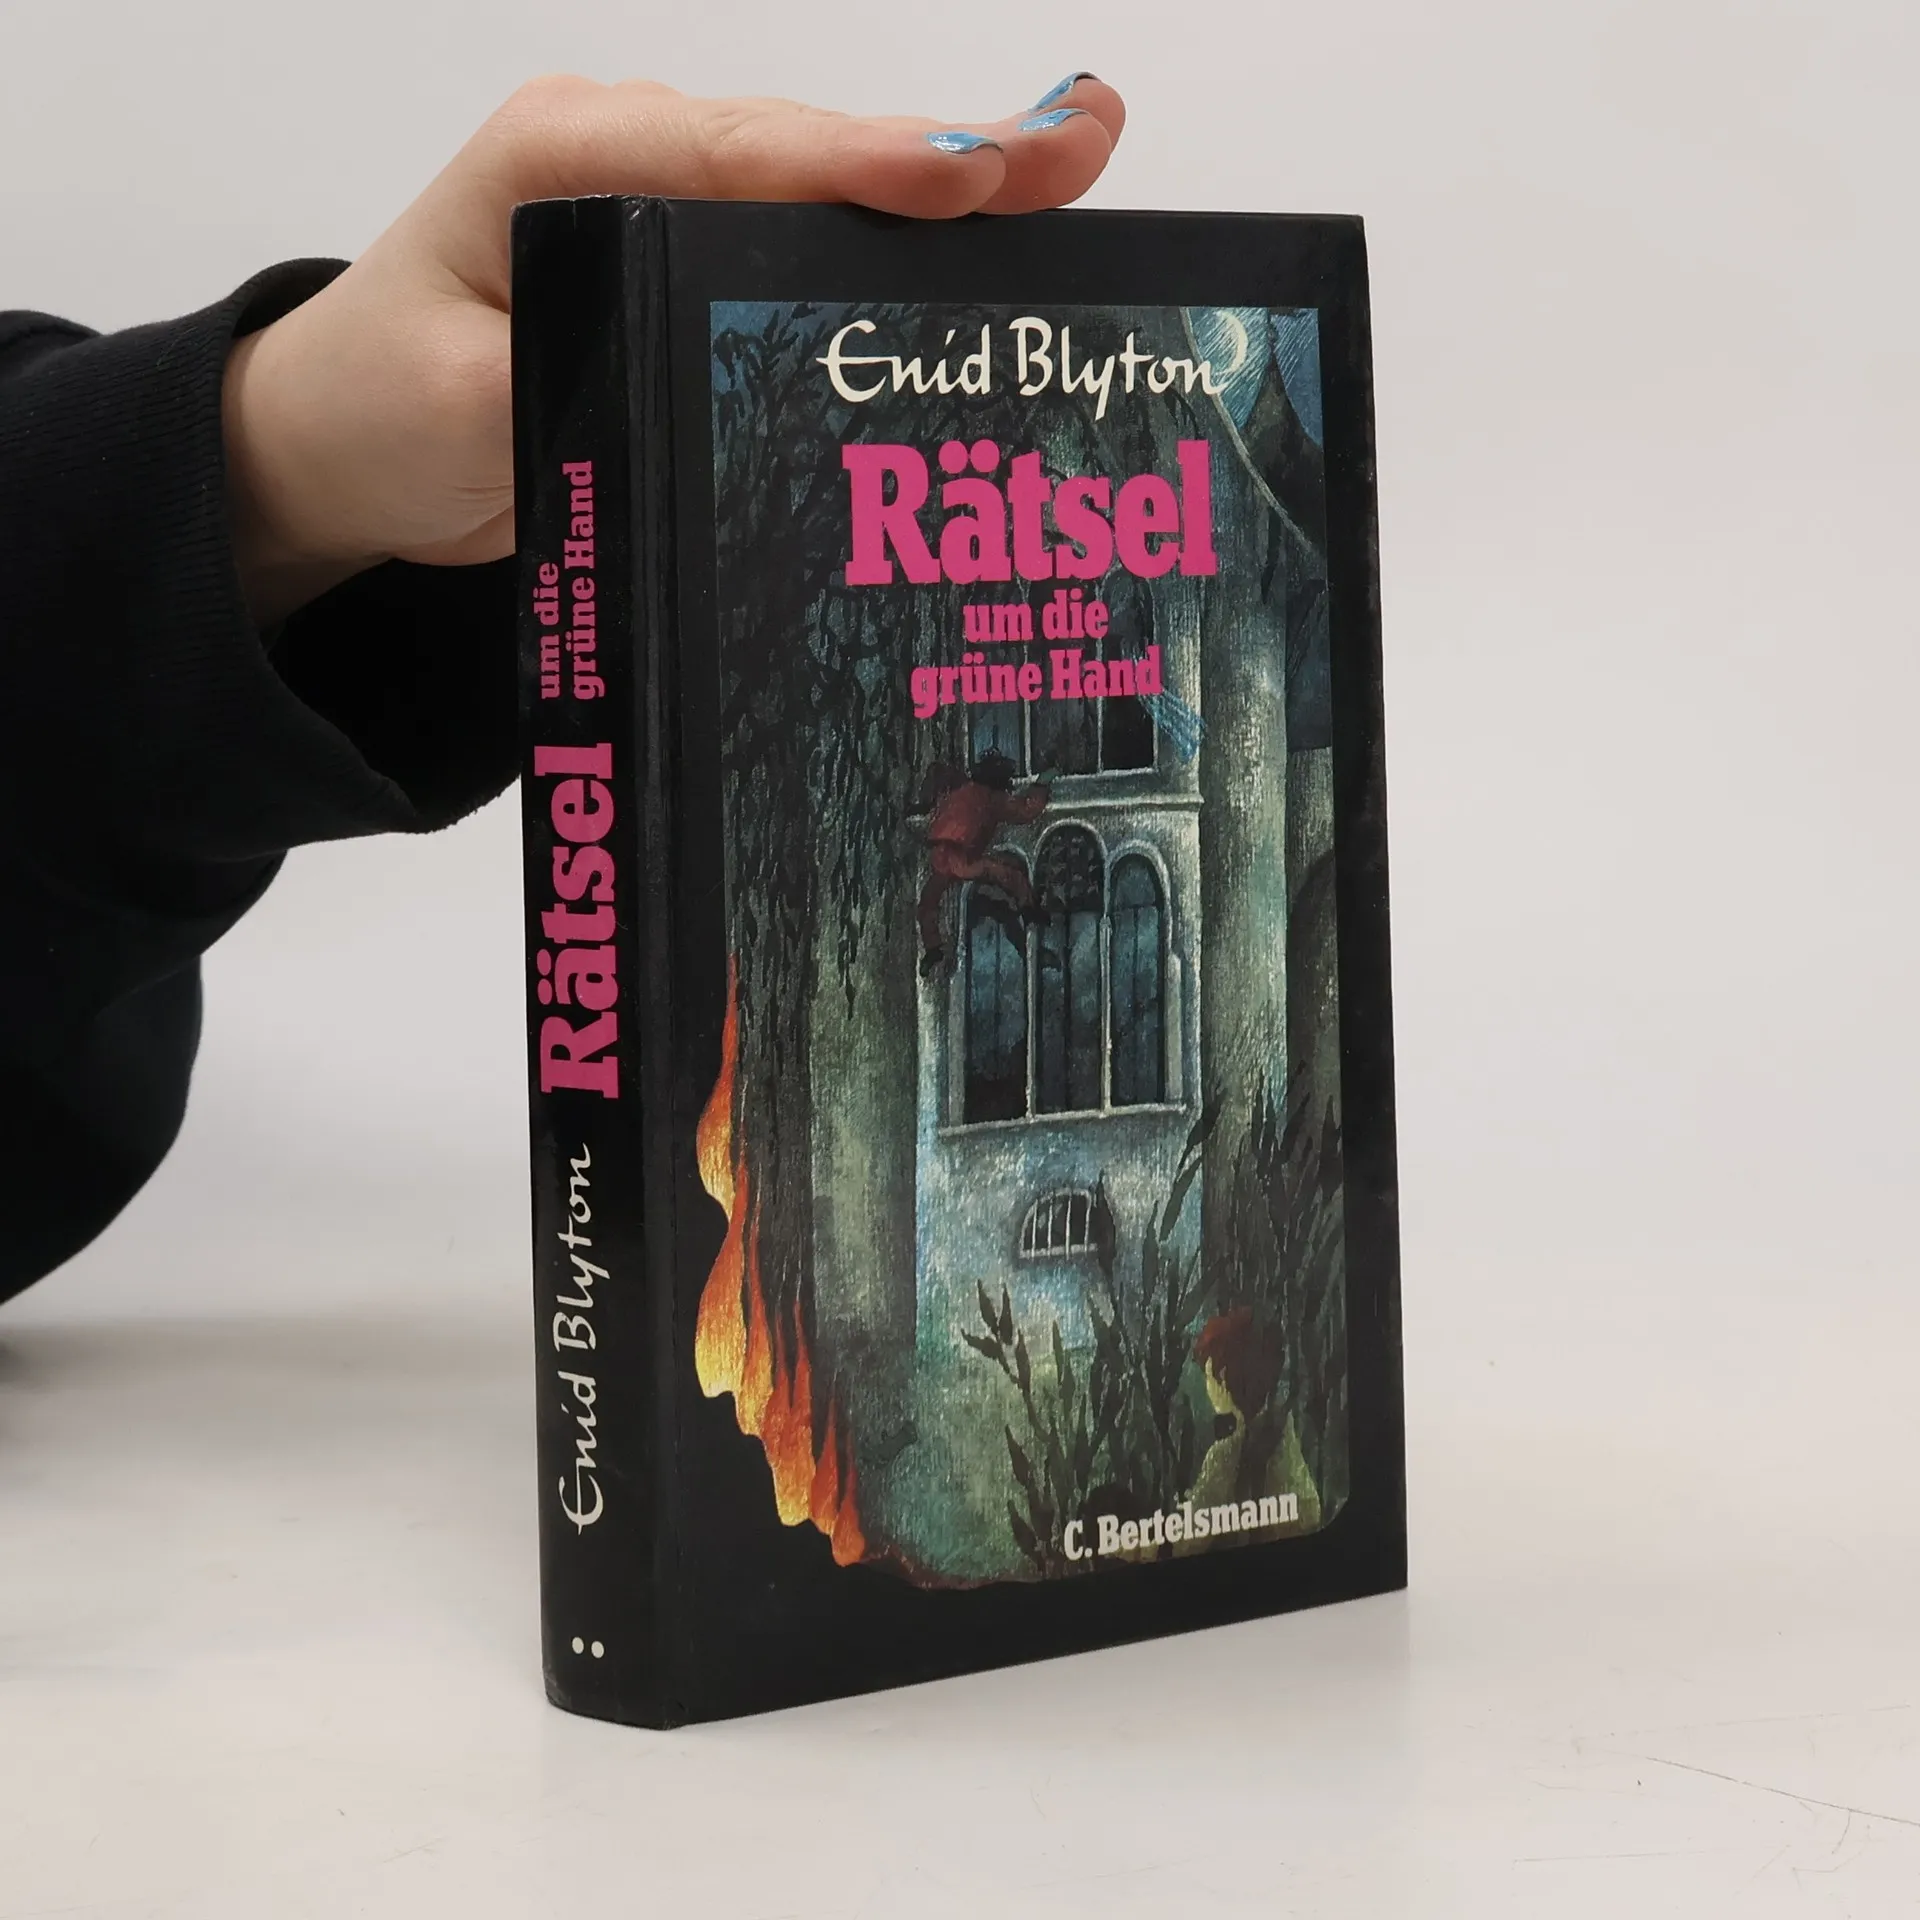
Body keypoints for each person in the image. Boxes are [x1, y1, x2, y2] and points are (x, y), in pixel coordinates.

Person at [0, 74, 1127, 1304]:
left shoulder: (982, 807)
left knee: (966, 896)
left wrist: (252, 469)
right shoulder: (966, 809)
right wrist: (231, 474)